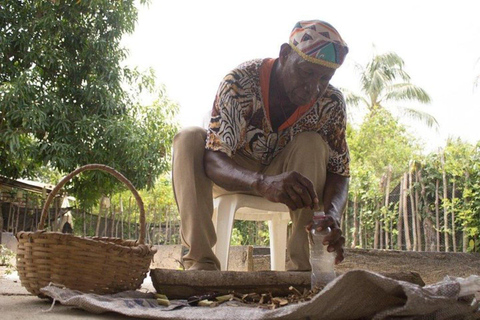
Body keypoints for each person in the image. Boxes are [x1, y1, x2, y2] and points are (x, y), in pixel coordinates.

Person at [173, 20, 349, 271]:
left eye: (324, 78)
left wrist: (332, 214)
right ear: (285, 54)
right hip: (229, 174)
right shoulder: (241, 82)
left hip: (286, 181)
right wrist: (262, 182)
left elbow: (339, 170)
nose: (314, 86)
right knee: (189, 137)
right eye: (306, 72)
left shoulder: (330, 103)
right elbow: (213, 159)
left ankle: (301, 269)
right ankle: (200, 265)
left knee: (312, 143)